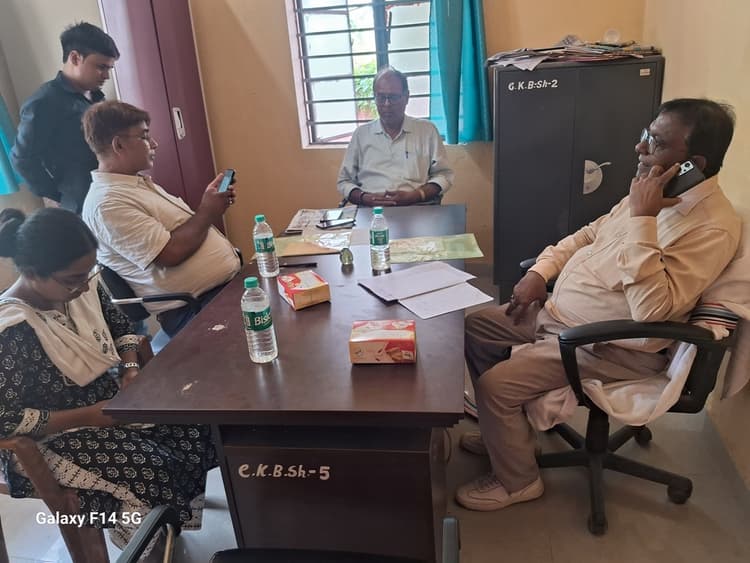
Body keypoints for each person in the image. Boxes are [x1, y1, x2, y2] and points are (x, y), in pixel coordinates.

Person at [457, 98, 741, 511]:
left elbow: (652, 311)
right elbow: (588, 235)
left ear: (691, 164)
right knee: (476, 327)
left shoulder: (710, 228)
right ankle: (507, 435)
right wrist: (540, 272)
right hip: (557, 316)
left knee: (495, 387)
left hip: (605, 345)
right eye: (646, 135)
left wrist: (643, 220)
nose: (640, 148)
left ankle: (518, 482)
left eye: (657, 143)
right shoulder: (652, 188)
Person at [0, 207, 218, 551]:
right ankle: (146, 549)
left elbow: (122, 330)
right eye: (72, 279)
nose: (83, 286)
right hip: (50, 438)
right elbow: (6, 419)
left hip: (111, 407)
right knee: (151, 470)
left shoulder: (82, 288)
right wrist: (88, 416)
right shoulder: (11, 328)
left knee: (198, 427)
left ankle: (166, 532)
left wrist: (130, 369)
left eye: (89, 273)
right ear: (31, 273)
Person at [81, 100, 241, 337]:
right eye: (145, 136)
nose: (154, 143)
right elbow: (170, 254)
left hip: (220, 292)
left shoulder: (134, 185)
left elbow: (184, 230)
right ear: (119, 144)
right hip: (195, 310)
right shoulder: (107, 204)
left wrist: (209, 206)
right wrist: (208, 211)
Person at [11, 22, 119, 213]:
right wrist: (60, 194)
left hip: (110, 192)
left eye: (109, 68)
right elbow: (22, 159)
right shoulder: (44, 102)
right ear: (75, 57)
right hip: (81, 204)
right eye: (101, 67)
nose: (106, 76)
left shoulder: (96, 96)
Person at [337, 66, 454, 207]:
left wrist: (416, 195)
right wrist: (364, 198)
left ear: (406, 97)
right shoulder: (361, 135)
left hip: (417, 208)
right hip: (372, 211)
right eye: (381, 97)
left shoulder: (427, 131)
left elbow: (443, 175)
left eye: (393, 97)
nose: (387, 104)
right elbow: (344, 181)